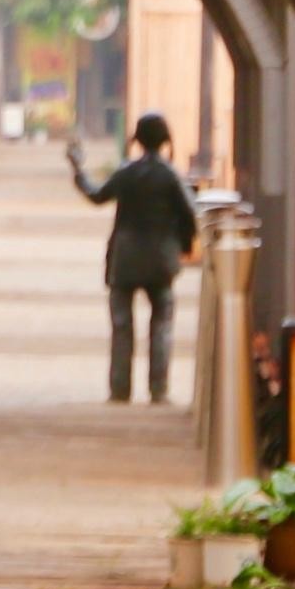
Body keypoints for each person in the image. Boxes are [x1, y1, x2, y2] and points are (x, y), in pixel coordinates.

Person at [67, 114, 201, 404]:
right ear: (165, 140)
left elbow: (96, 194)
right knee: (162, 323)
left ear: (137, 140)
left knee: (121, 324)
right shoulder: (170, 175)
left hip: (125, 259)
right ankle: (158, 389)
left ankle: (119, 389)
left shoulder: (127, 172)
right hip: (161, 261)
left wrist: (78, 168)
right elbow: (192, 214)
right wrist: (184, 243)